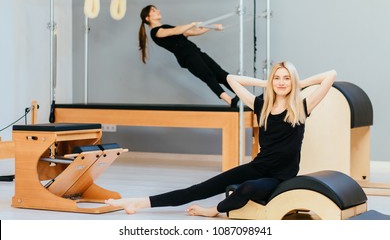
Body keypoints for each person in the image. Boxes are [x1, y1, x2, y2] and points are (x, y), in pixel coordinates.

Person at [105, 61, 337, 217]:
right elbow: (232, 79)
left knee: (245, 189)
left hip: (281, 177)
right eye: (277, 78)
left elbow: (330, 75)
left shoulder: (302, 107)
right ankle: (140, 201)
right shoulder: (261, 105)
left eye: (287, 79)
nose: (282, 82)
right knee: (202, 187)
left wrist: (299, 84)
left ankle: (214, 210)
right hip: (258, 167)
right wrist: (265, 84)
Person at [138, 5, 239, 107]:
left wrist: (212, 27)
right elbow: (175, 31)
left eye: (156, 9)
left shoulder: (166, 26)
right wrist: (192, 24)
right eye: (154, 11)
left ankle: (242, 95)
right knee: (208, 76)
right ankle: (230, 101)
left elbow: (191, 32)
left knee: (221, 74)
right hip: (187, 56)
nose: (158, 11)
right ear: (148, 18)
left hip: (195, 51)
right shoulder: (155, 32)